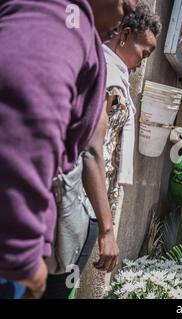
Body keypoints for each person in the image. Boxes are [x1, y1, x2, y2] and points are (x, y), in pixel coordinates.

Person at [0, 0, 135, 299]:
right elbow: (25, 120)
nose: (127, 12)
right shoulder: (64, 19)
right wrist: (19, 254)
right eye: (126, 4)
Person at [75, 2, 161, 299]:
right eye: (143, 52)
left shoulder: (116, 75)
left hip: (89, 201)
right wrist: (107, 229)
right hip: (79, 200)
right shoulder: (106, 75)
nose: (141, 61)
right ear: (123, 36)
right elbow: (92, 150)